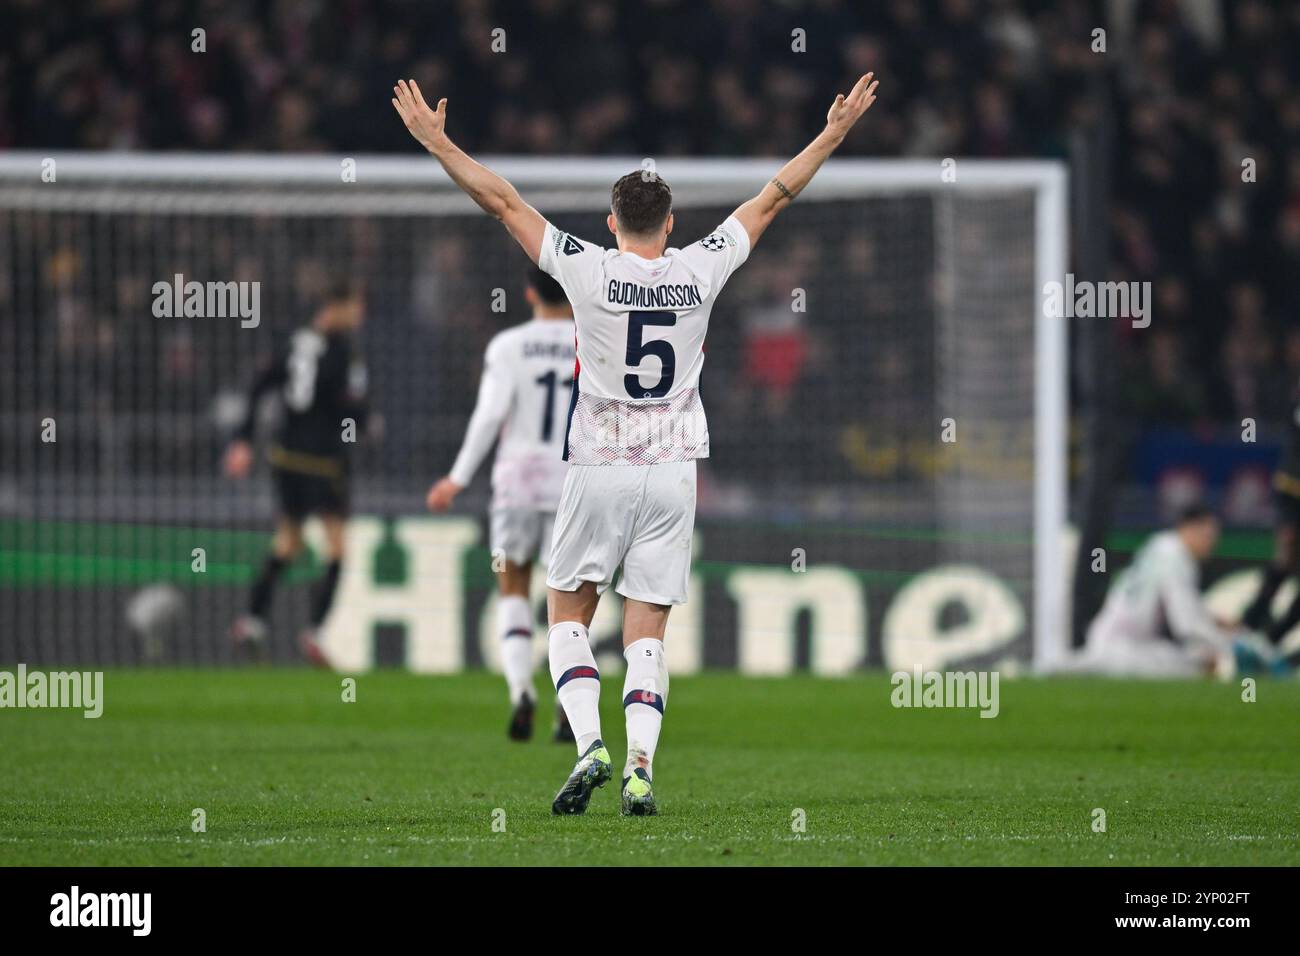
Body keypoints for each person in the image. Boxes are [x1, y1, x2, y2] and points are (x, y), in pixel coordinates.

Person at [391, 71, 879, 815]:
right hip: (675, 468)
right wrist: (834, 132)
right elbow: (777, 193)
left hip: (600, 462)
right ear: (672, 221)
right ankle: (641, 768)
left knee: (567, 616)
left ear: (611, 222)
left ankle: (590, 746)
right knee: (647, 629)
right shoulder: (702, 265)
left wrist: (436, 141)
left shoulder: (585, 269)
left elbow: (500, 199)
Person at [425, 267, 577, 742]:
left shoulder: (508, 346)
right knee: (567, 607)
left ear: (529, 292)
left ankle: (520, 691)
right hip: (575, 485)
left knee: (512, 590)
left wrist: (457, 478)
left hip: (516, 485)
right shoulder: (594, 342)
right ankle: (568, 703)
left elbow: (489, 415)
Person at [224, 281, 370, 666]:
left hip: (285, 457)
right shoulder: (344, 352)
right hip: (324, 461)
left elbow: (258, 385)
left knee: (287, 542)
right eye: (355, 307)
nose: (359, 315)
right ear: (335, 306)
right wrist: (365, 423)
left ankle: (252, 620)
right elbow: (355, 411)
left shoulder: (293, 342)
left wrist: (242, 440)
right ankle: (316, 632)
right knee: (336, 545)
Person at [1071, 505, 1242, 678]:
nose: (1211, 544)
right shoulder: (1176, 557)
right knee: (1192, 666)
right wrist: (1226, 645)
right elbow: (1186, 623)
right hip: (1125, 649)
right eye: (1207, 536)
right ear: (1189, 529)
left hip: (1111, 639)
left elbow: (1186, 609)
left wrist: (1211, 619)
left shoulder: (1161, 545)